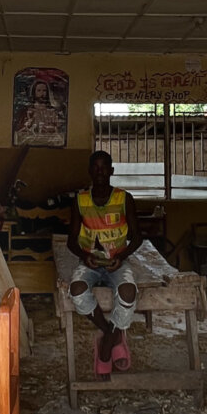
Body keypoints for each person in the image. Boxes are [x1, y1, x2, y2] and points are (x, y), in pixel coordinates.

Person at [68, 150, 143, 376]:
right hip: (90, 263)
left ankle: (105, 347)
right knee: (77, 290)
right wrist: (84, 256)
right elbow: (71, 241)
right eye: (96, 168)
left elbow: (138, 237)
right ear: (90, 171)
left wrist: (121, 257)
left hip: (116, 262)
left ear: (111, 171)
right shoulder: (80, 200)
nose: (100, 172)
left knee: (129, 292)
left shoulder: (124, 198)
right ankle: (113, 336)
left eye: (104, 167)